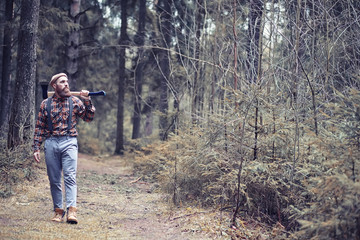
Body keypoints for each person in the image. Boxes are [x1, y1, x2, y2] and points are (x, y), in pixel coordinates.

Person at [33, 73, 96, 224]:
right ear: (54, 86)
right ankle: (58, 211)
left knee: (69, 176)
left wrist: (87, 101)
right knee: (54, 180)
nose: (66, 84)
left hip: (69, 142)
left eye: (67, 81)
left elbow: (88, 118)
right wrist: (36, 147)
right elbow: (40, 127)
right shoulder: (45, 104)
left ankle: (72, 211)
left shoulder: (75, 101)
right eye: (62, 82)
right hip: (51, 142)